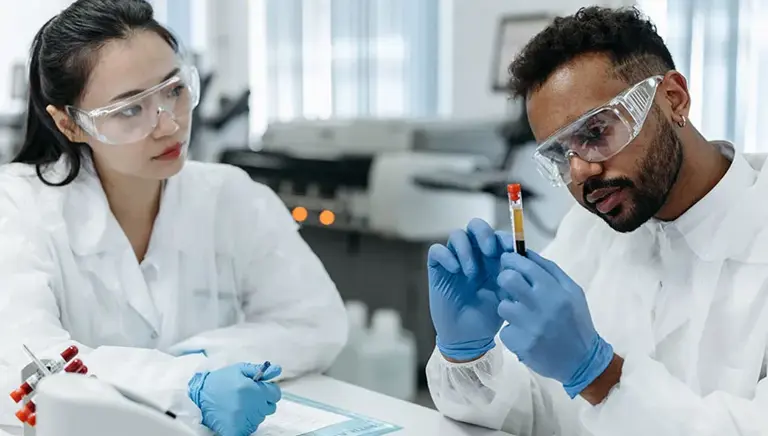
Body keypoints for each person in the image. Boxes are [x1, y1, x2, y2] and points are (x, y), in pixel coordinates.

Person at [0, 1, 347, 435]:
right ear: (69, 124)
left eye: (174, 90)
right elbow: (25, 363)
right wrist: (183, 385)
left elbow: (316, 324)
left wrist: (194, 361)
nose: (169, 125)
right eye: (130, 109)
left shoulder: (231, 195)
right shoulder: (17, 205)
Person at [425, 6, 768, 436]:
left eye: (594, 132)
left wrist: (599, 375)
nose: (581, 171)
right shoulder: (590, 230)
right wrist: (467, 355)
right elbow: (538, 406)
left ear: (673, 98)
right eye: (560, 154)